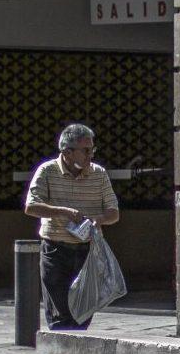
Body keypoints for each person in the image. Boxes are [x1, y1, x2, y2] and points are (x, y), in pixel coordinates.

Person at [25, 122, 120, 330]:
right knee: (59, 311)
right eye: (85, 150)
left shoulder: (99, 174)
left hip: (87, 251)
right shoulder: (47, 171)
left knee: (83, 311)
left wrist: (99, 219)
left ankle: (78, 344)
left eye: (92, 150)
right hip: (56, 249)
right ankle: (60, 345)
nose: (90, 155)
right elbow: (31, 207)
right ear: (67, 152)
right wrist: (64, 211)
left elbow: (114, 213)